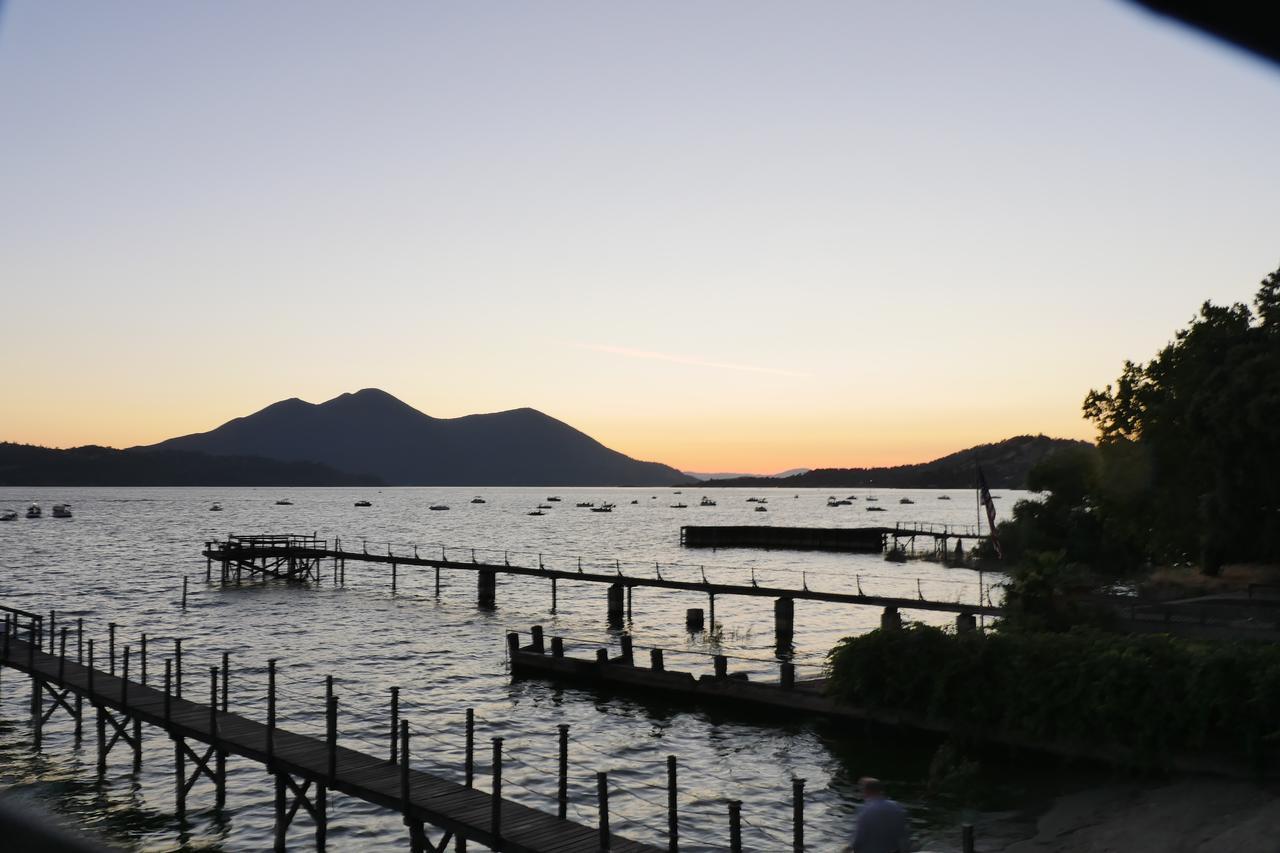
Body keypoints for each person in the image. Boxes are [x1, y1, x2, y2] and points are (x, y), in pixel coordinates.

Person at [847, 776, 911, 853]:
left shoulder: (865, 810)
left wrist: (848, 848)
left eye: (861, 789)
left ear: (866, 790)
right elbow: (904, 834)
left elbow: (858, 839)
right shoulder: (897, 806)